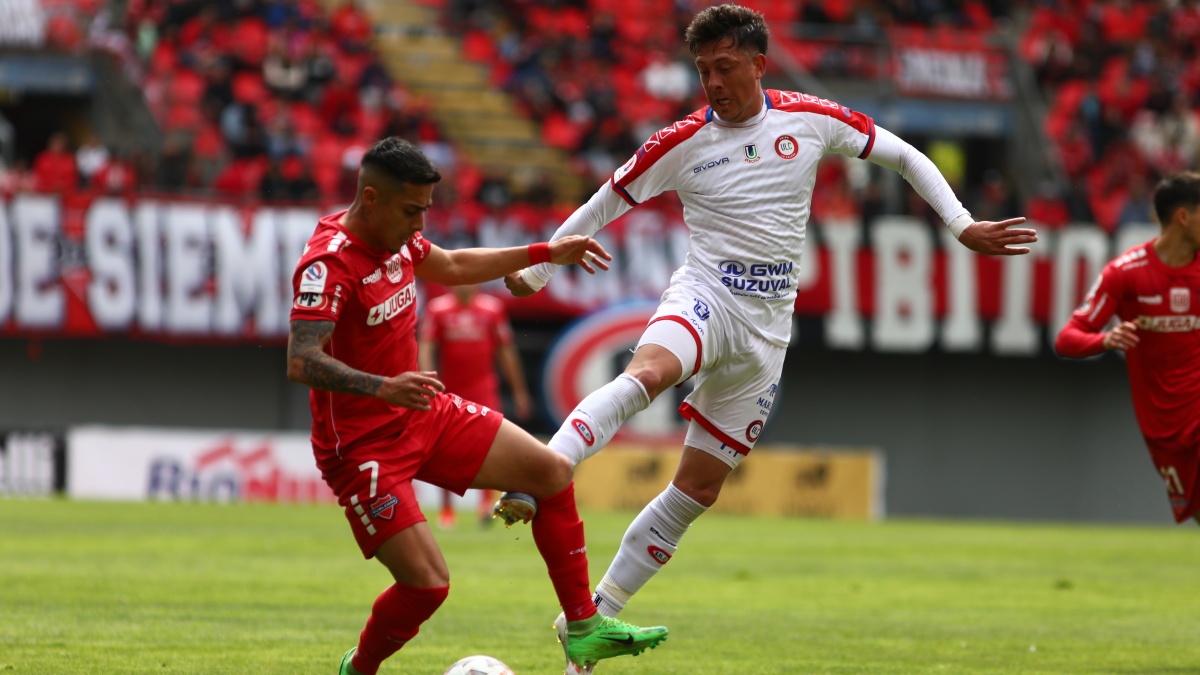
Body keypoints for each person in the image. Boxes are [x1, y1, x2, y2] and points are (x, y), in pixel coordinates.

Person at [493, 6, 1037, 672]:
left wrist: (960, 224)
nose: (713, 83)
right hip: (705, 296)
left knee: (699, 489)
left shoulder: (810, 118)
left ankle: (591, 620)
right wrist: (543, 263)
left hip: (767, 328)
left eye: (725, 68)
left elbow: (903, 155)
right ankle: (547, 467)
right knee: (651, 371)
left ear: (758, 63)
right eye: (702, 71)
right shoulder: (681, 140)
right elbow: (606, 198)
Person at [285, 137, 669, 675]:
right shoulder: (327, 265)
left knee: (552, 471)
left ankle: (583, 626)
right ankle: (360, 669)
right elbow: (302, 360)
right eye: (411, 211)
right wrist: (382, 387)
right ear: (370, 199)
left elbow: (454, 265)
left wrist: (545, 253)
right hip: (362, 447)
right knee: (428, 586)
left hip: (423, 413)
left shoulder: (399, 240)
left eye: (426, 211)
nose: (420, 225)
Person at [1056, 171, 1200, 526]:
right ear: (1184, 217)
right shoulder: (1126, 273)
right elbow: (1067, 338)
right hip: (1165, 429)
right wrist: (1104, 340)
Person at [417, 283, 534, 528]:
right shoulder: (438, 310)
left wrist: (520, 391)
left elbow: (506, 352)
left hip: (484, 391)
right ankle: (447, 509)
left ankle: (484, 504)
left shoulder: (492, 310)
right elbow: (426, 346)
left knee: (488, 446)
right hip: (451, 391)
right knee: (445, 449)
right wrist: (429, 382)